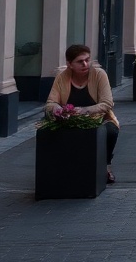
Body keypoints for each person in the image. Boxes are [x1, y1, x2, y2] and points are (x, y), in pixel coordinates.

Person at [45, 44, 120, 184]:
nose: (85, 64)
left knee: (111, 131)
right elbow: (50, 102)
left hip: (99, 119)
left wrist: (85, 110)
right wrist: (59, 110)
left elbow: (107, 103)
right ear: (69, 64)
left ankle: (106, 166)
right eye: (80, 61)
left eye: (87, 60)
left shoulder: (99, 75)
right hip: (71, 120)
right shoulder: (62, 77)